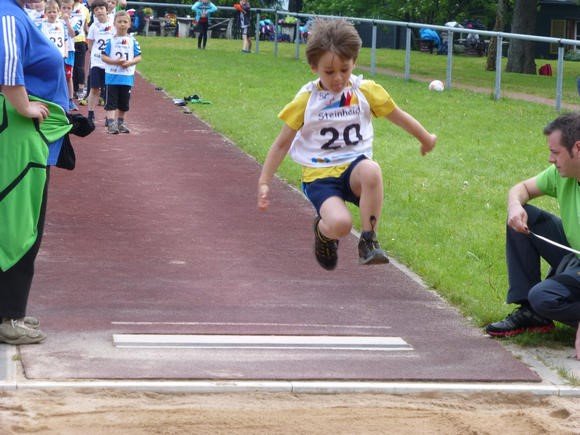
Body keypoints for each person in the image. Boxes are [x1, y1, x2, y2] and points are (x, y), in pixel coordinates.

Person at [256, 19, 437, 271]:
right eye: (329, 72)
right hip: (320, 176)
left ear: (354, 62)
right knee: (340, 225)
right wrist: (265, 181)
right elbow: (281, 144)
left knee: (372, 169)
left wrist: (425, 138)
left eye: (345, 69)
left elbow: (398, 115)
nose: (338, 78)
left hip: (354, 168)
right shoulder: (306, 101)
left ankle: (368, 240)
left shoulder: (365, 91)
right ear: (313, 67)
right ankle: (323, 232)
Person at [0, 0, 72, 344]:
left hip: (20, 134)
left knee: (20, 220)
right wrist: (23, 105)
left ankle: (10, 309)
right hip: (16, 134)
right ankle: (7, 316)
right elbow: (8, 68)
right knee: (19, 225)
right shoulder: (7, 16)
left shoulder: (13, 14)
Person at [485, 112, 580, 360]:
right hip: (574, 252)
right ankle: (530, 313)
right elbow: (521, 189)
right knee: (522, 215)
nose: (551, 159)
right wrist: (514, 206)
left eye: (556, 153)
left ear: (578, 148)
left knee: (543, 296)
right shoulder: (562, 175)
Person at [101, 10, 142, 134]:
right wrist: (115, 62)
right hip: (112, 76)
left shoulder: (133, 41)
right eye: (119, 22)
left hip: (127, 76)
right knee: (111, 101)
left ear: (129, 24)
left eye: (125, 22)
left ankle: (121, 122)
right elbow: (104, 57)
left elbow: (139, 57)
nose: (122, 24)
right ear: (114, 24)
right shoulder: (110, 40)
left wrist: (130, 63)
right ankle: (111, 123)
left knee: (124, 102)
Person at [86, 0, 114, 126]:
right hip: (97, 62)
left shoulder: (113, 24)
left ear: (107, 9)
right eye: (96, 10)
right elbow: (91, 44)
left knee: (109, 89)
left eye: (101, 8)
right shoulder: (93, 27)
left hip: (110, 63)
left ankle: (109, 116)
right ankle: (90, 114)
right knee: (95, 88)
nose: (99, 11)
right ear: (94, 13)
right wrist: (96, 55)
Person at [71, 0, 90, 100]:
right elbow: (86, 28)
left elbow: (85, 27)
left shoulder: (84, 9)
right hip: (75, 40)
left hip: (77, 40)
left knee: (76, 66)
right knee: (79, 66)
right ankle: (77, 89)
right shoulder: (66, 7)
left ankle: (79, 89)